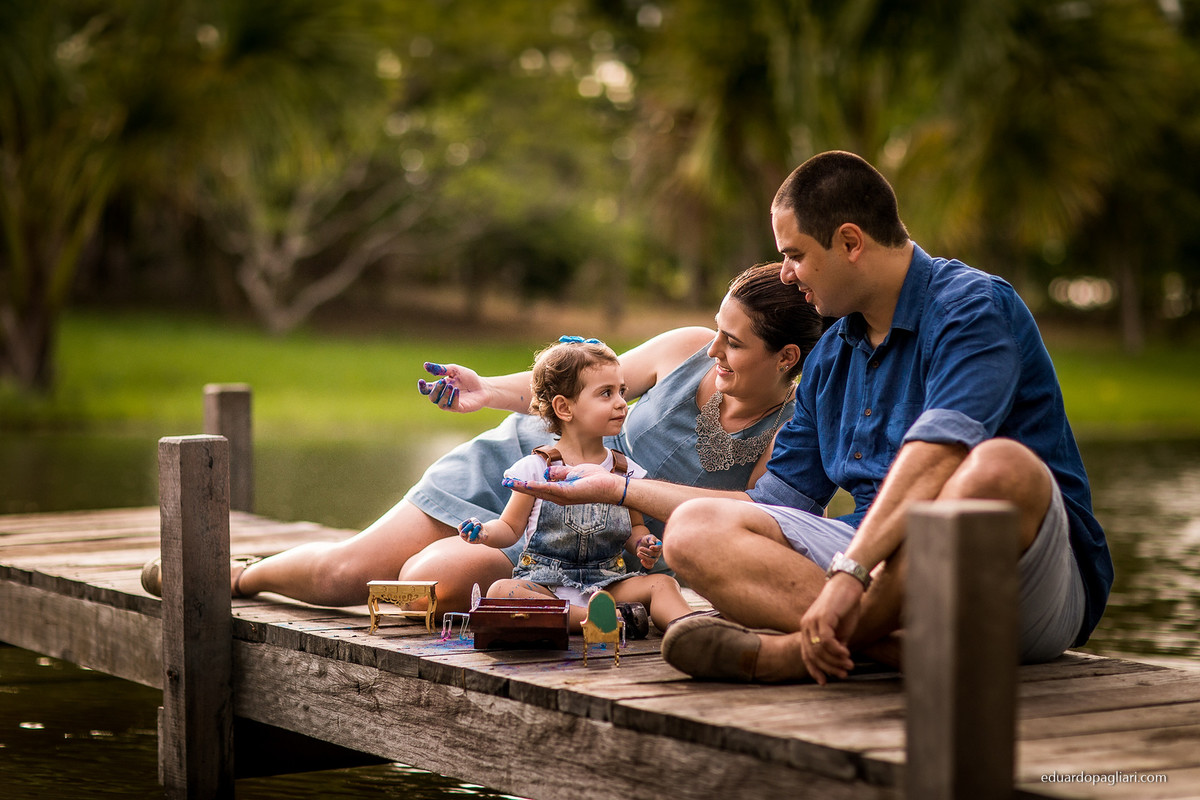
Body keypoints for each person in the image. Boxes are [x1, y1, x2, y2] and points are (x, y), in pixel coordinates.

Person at [505, 150, 1113, 684]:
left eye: (794, 254)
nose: (787, 273)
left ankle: (797, 654)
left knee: (999, 468)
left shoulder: (973, 308)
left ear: (850, 242)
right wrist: (620, 486)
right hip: (887, 573)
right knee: (694, 528)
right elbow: (776, 505)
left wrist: (849, 574)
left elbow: (941, 454)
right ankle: (892, 649)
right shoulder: (831, 358)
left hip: (1017, 582)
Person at [140, 263, 824, 616]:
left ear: (786, 357)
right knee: (346, 576)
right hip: (518, 470)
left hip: (587, 550)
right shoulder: (682, 351)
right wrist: (483, 391)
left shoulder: (788, 436)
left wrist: (625, 495)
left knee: (422, 592)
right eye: (716, 329)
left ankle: (424, 575)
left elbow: (745, 526)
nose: (714, 350)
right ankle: (240, 575)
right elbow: (572, 385)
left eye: (733, 343)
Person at [458, 338, 692, 633]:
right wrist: (484, 533)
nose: (621, 402)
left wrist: (643, 544)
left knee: (663, 583)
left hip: (608, 584)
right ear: (564, 408)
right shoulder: (536, 469)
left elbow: (635, 529)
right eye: (606, 393)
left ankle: (686, 628)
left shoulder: (625, 471)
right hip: (547, 585)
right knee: (503, 591)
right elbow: (510, 528)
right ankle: (594, 620)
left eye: (622, 391)